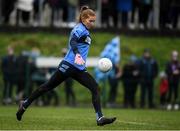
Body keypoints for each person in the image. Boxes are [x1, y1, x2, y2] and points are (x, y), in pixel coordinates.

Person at [16, 6, 116, 126]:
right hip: (68, 65)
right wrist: (78, 55)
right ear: (84, 19)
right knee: (46, 87)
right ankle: (25, 104)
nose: (93, 23)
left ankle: (100, 118)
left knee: (95, 88)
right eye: (91, 21)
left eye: (94, 21)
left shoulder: (85, 30)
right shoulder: (79, 29)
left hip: (78, 69)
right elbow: (73, 41)